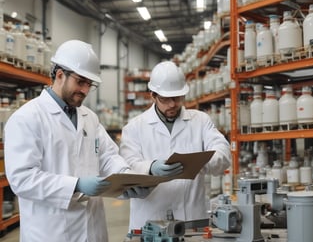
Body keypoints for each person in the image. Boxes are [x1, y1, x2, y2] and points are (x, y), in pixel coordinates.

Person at [4, 39, 150, 242]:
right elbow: (22, 178)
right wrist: (76, 185)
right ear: (60, 75)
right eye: (80, 82)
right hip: (51, 233)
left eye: (89, 84)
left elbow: (108, 156)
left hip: (92, 230)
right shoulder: (27, 118)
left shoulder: (89, 117)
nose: (85, 90)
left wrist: (127, 180)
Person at [119, 61, 232, 231]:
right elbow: (125, 167)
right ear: (153, 95)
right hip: (150, 221)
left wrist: (200, 162)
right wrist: (150, 167)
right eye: (165, 99)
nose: (172, 104)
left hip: (192, 221)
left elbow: (223, 153)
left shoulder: (200, 121)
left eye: (177, 97)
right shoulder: (134, 128)